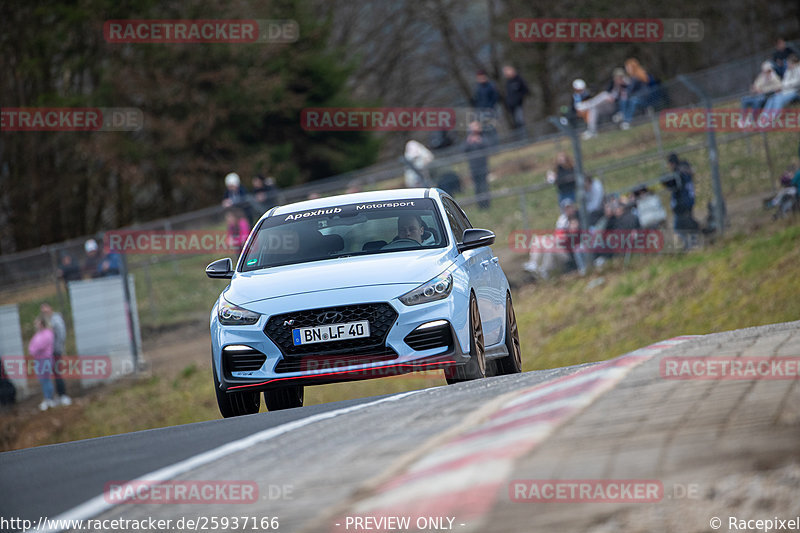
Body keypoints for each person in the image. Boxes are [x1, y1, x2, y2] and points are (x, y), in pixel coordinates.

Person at [523, 198, 586, 279]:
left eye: (570, 207)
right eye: (566, 208)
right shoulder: (563, 220)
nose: (569, 210)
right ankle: (533, 264)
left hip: (570, 254)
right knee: (538, 240)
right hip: (561, 247)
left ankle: (544, 271)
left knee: (550, 247)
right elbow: (559, 236)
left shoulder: (579, 218)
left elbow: (570, 237)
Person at [664, 153, 699, 249]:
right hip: (689, 200)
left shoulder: (679, 173)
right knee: (688, 222)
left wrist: (665, 182)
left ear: (673, 163)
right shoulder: (685, 170)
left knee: (679, 227)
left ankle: (690, 244)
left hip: (682, 203)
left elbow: (675, 185)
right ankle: (693, 242)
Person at [40, 303, 71, 406]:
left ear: (50, 308)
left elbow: (61, 335)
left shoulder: (56, 320)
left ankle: (63, 395)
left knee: (57, 373)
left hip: (55, 351)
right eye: (43, 311)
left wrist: (58, 348)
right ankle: (55, 396)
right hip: (47, 353)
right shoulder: (45, 322)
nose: (45, 312)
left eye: (46, 310)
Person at [620, 58, 663, 130]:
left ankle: (626, 121)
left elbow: (630, 90)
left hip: (644, 98)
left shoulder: (636, 77)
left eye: (628, 68)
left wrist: (625, 84)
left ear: (632, 67)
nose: (627, 69)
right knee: (626, 100)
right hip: (643, 97)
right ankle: (622, 115)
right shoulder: (639, 75)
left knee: (630, 100)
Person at [28, 316, 56, 411]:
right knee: (42, 380)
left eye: (37, 323)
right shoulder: (38, 335)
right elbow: (31, 346)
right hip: (39, 360)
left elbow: (39, 346)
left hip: (46, 360)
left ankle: (50, 399)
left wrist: (34, 350)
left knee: (46, 380)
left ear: (42, 323)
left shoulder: (48, 333)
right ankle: (47, 398)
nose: (36, 325)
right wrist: (33, 350)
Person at [464, 121, 491, 209]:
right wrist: (469, 142)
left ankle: (486, 204)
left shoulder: (483, 138)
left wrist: (479, 142)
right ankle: (480, 205)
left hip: (483, 166)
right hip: (473, 167)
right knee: (477, 187)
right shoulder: (468, 139)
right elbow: (463, 149)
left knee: (484, 186)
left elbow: (488, 147)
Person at [472, 70, 499, 144]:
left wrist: (490, 108)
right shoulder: (478, 88)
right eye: (479, 77)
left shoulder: (491, 86)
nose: (481, 79)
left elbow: (495, 97)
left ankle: (495, 146)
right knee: (484, 130)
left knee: (491, 129)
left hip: (490, 111)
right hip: (480, 112)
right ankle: (488, 147)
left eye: (482, 77)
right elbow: (477, 100)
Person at [503, 65, 530, 135]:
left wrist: (519, 98)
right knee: (516, 123)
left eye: (507, 71)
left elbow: (525, 90)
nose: (506, 74)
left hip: (518, 104)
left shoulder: (519, 79)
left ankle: (525, 137)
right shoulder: (508, 82)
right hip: (511, 106)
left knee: (520, 121)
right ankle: (520, 138)